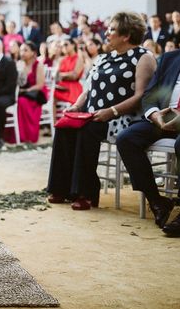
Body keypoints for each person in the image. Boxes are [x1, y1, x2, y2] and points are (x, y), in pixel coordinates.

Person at [47, 12, 156, 210]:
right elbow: (88, 90)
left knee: (87, 130)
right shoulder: (103, 58)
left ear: (126, 35)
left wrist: (111, 111)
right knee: (64, 127)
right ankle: (61, 188)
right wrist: (76, 107)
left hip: (124, 118)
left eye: (112, 29)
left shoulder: (144, 58)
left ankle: (86, 192)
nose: (107, 33)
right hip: (92, 114)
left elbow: (140, 96)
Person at [116, 49, 180, 235]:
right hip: (163, 118)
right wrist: (154, 115)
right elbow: (149, 95)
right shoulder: (170, 58)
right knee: (126, 139)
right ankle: (157, 201)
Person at [13, 42, 48, 143]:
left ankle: (27, 135)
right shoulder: (19, 64)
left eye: (25, 50)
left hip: (36, 93)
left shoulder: (38, 65)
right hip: (22, 92)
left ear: (33, 52)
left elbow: (40, 85)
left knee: (22, 101)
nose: (22, 53)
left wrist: (26, 91)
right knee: (16, 100)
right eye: (21, 50)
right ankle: (17, 134)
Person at [53, 38, 84, 105]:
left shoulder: (79, 59)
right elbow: (55, 75)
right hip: (60, 87)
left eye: (66, 45)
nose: (64, 47)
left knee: (52, 95)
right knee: (49, 94)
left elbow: (74, 76)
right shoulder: (61, 60)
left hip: (72, 88)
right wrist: (67, 75)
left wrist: (61, 75)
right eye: (62, 46)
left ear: (73, 45)